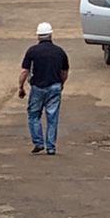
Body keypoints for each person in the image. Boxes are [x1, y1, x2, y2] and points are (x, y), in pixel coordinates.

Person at [18, 21, 69, 155]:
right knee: (52, 117)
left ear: (38, 36)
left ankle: (38, 142)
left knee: (34, 115)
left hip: (37, 88)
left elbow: (24, 71)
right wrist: (61, 84)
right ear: (51, 35)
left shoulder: (32, 51)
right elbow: (64, 72)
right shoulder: (59, 52)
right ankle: (51, 147)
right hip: (55, 86)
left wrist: (21, 87)